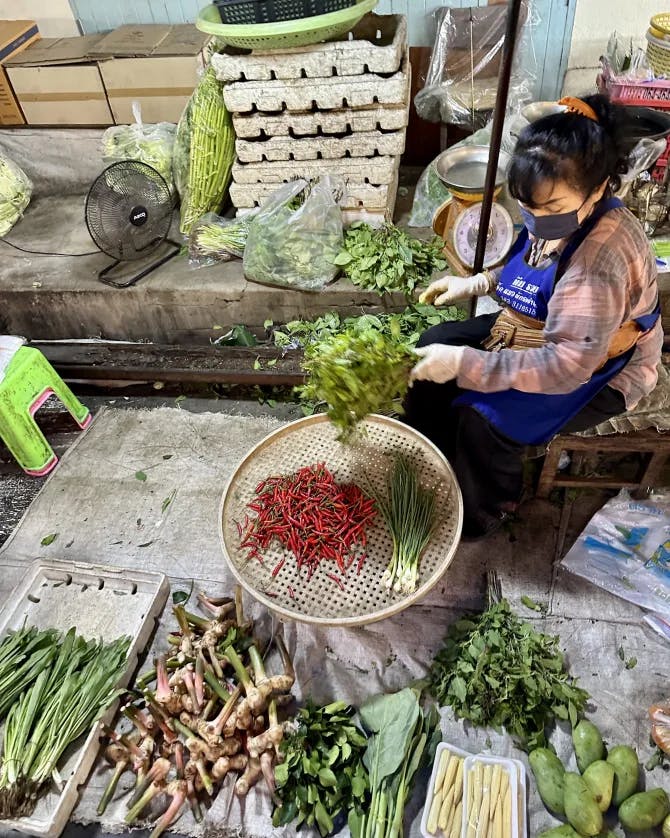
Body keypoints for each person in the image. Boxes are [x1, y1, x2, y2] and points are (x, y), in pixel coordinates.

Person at [404, 94, 662, 539]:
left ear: (599, 188)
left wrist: (466, 365)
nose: (537, 218)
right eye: (528, 206)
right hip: (538, 330)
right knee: (433, 343)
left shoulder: (597, 265)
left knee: (481, 418)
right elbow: (530, 257)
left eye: (551, 209)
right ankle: (430, 457)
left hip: (596, 367)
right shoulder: (556, 209)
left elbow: (563, 368)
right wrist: (478, 283)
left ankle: (483, 510)